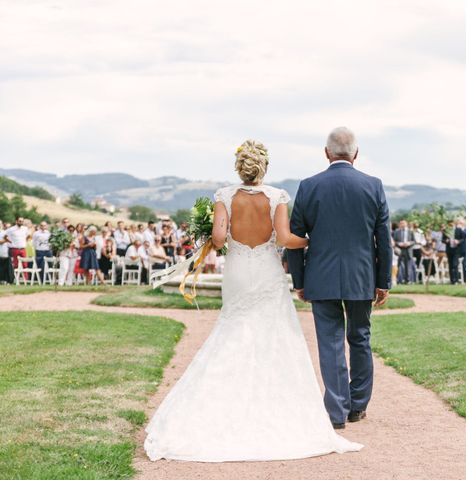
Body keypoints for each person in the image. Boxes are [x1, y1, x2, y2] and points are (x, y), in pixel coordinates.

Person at [144, 137, 363, 462]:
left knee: (232, 328)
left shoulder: (224, 196)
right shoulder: (277, 197)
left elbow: (218, 240)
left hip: (237, 272)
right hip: (266, 271)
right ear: (264, 167)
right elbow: (286, 239)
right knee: (274, 334)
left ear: (239, 167)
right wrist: (313, 239)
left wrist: (213, 230)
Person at [289, 127, 392, 431]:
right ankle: (358, 406)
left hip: (320, 277)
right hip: (362, 276)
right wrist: (383, 279)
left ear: (326, 153)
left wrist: (300, 280)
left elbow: (296, 236)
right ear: (355, 154)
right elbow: (383, 239)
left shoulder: (309, 186)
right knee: (360, 338)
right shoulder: (373, 186)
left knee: (330, 342)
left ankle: (336, 410)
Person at [392, 220, 415, 284]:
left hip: (408, 250)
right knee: (397, 265)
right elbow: (394, 241)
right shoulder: (396, 232)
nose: (402, 224)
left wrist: (409, 243)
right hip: (399, 250)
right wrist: (399, 244)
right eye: (401, 223)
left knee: (407, 266)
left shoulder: (410, 231)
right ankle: (397, 280)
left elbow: (414, 241)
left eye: (403, 223)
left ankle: (407, 280)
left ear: (406, 224)